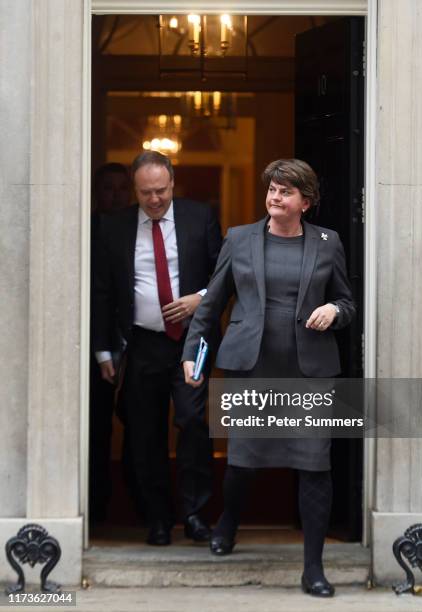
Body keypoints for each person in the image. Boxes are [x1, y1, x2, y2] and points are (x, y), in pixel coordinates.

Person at [182, 159, 355, 597]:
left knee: (316, 465)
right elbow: (212, 303)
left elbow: (346, 301)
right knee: (243, 461)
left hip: (309, 372)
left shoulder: (327, 242)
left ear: (306, 202)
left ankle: (313, 568)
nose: (275, 197)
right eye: (272, 190)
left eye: (285, 192)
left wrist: (334, 311)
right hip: (250, 370)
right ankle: (228, 523)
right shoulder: (239, 239)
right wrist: (193, 355)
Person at [93, 151, 222, 545]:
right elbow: (102, 291)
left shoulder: (199, 217)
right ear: (135, 189)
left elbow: (226, 274)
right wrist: (103, 351)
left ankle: (196, 514)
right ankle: (157, 519)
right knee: (144, 434)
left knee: (192, 422)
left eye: (161, 191)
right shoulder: (113, 226)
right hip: (142, 343)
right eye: (146, 193)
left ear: (172, 182)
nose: (154, 200)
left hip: (191, 342)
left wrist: (199, 298)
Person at [90, 162, 132, 522]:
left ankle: (140, 506)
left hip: (137, 342)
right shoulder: (85, 230)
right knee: (97, 427)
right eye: (108, 188)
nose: (116, 195)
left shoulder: (141, 229)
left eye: (122, 188)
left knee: (137, 425)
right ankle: (98, 507)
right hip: (95, 347)